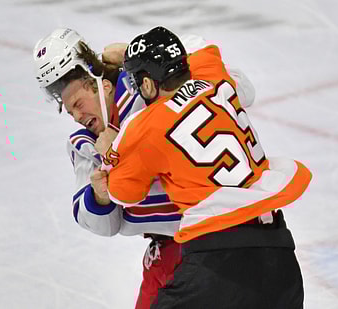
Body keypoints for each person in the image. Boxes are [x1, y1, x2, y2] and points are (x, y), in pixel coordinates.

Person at [33, 28, 259, 308]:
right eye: (70, 112)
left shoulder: (146, 86)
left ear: (98, 83)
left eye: (79, 104)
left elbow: (242, 90)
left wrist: (137, 55)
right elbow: (103, 223)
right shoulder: (85, 144)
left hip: (217, 239)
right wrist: (100, 195)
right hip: (173, 250)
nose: (78, 117)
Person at [98, 26, 312, 309]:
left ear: (148, 84)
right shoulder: (215, 77)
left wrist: (109, 151)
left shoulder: (144, 126)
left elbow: (123, 193)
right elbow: (199, 46)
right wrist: (130, 52)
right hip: (279, 257)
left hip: (217, 265)